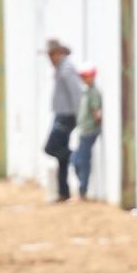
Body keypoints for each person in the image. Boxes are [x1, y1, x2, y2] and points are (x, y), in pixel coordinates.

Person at [42, 37, 82, 203]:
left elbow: (76, 93)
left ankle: (74, 156)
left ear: (59, 53)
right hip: (62, 114)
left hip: (66, 115)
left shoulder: (66, 68)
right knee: (60, 157)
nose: (50, 58)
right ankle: (64, 192)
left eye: (52, 54)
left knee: (51, 148)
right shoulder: (61, 68)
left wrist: (79, 115)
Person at [73, 65, 102, 202]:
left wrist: (96, 124)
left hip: (89, 131)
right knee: (77, 160)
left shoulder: (94, 92)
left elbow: (97, 113)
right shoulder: (86, 92)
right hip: (83, 130)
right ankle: (82, 189)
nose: (84, 79)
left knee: (82, 161)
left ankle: (82, 190)